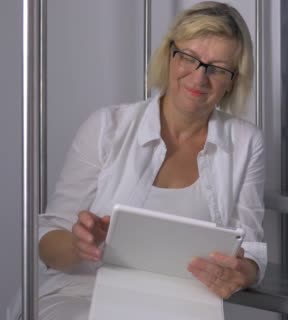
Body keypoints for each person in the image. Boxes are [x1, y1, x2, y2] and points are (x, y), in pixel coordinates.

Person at [12, 2, 266, 319]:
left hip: (181, 305)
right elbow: (46, 240)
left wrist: (246, 272)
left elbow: (252, 249)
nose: (199, 79)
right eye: (189, 58)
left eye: (216, 69)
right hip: (79, 295)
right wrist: (78, 247)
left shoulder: (246, 142)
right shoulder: (106, 127)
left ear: (233, 80)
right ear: (169, 55)